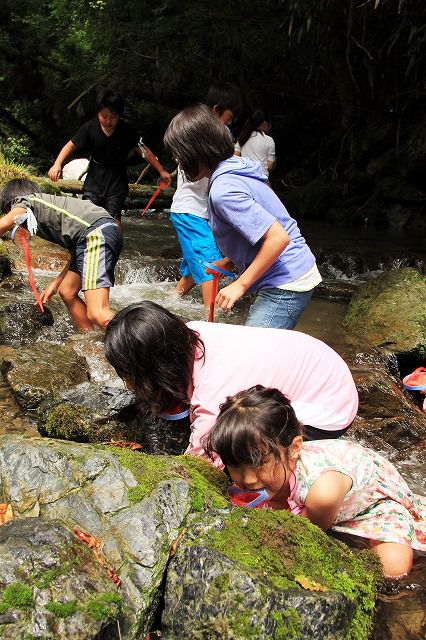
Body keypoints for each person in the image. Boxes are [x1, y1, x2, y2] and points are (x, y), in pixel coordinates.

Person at [205, 385, 426, 578]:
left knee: (394, 569)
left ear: (294, 448)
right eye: (235, 465)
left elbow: (301, 533)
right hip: (335, 482)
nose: (248, 479)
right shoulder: (264, 464)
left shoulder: (323, 491)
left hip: (375, 503)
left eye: (259, 463)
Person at [104, 301, 359, 463]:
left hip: (327, 408)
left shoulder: (213, 391)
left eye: (131, 376)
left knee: (238, 450)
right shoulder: (190, 332)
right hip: (320, 363)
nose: (129, 385)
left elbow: (198, 463)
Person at [164, 104, 321, 329]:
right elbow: (260, 227)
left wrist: (241, 284)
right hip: (293, 272)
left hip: (286, 282)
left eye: (178, 154)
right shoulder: (237, 168)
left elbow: (278, 238)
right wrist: (230, 261)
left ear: (196, 151)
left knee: (253, 355)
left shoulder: (224, 190)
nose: (177, 161)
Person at [0, 178, 122, 331]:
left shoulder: (24, 201)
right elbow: (76, 252)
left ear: (9, 205)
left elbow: (3, 224)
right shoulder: (49, 212)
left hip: (97, 233)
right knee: (67, 290)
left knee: (97, 313)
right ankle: (91, 338)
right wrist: (55, 284)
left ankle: (138, 343)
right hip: (99, 232)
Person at [48, 89, 171, 225]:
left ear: (119, 116)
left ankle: (114, 244)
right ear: (98, 113)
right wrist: (57, 164)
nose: (108, 121)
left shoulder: (127, 131)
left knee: (113, 218)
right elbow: (70, 145)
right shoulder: (90, 128)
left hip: (117, 180)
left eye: (113, 117)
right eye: (104, 116)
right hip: (95, 178)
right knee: (87, 214)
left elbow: (144, 151)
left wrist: (161, 171)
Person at [169, 82, 242, 310]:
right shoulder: (203, 137)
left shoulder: (191, 130)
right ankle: (213, 318)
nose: (229, 123)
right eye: (228, 117)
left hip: (194, 211)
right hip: (191, 211)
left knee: (196, 265)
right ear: (217, 110)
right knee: (211, 264)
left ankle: (171, 300)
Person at [234, 109, 276, 179]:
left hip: (245, 178)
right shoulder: (269, 140)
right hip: (261, 178)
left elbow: (235, 157)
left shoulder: (243, 138)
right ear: (265, 123)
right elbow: (269, 166)